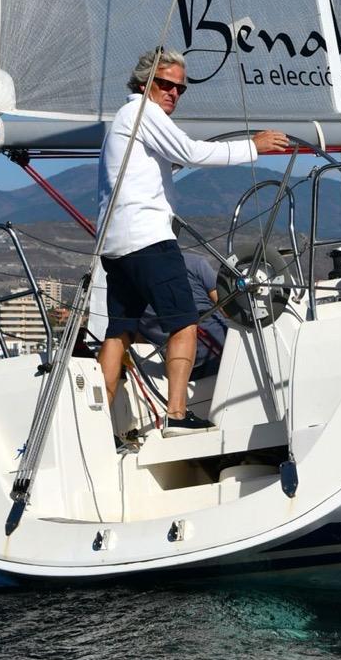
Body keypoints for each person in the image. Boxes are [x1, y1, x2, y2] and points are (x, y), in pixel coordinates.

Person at [96, 48, 289, 437]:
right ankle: (178, 415)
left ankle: (96, 425)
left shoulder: (124, 119)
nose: (173, 93)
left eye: (180, 89)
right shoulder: (144, 112)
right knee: (184, 322)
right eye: (165, 84)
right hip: (149, 240)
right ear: (144, 83)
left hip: (115, 247)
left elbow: (158, 162)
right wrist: (254, 145)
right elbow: (192, 151)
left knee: (120, 332)